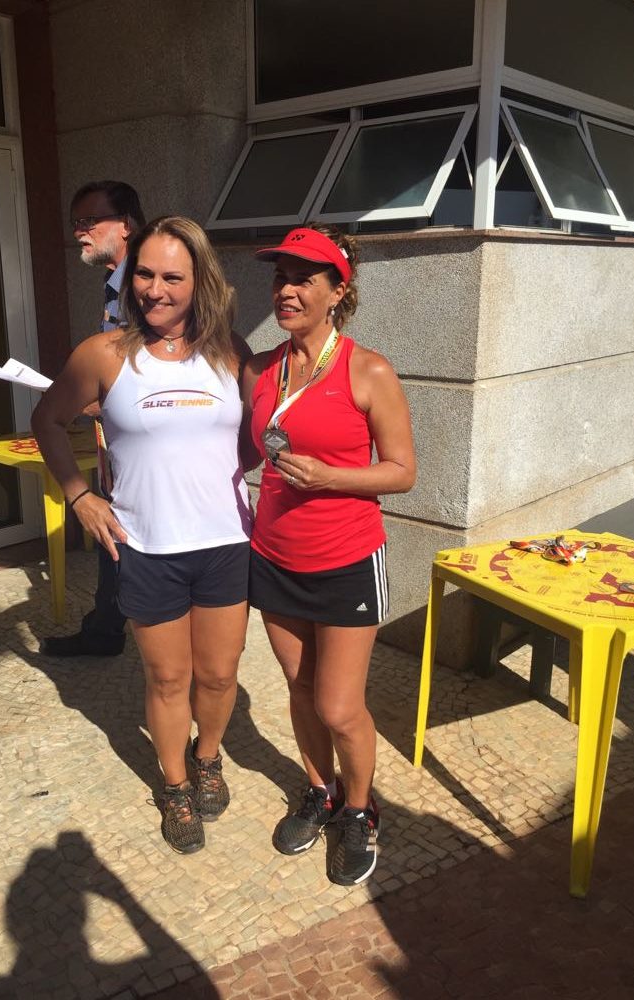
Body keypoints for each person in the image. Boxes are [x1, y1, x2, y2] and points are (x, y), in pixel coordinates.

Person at [32, 216, 252, 854]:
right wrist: (79, 497)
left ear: (200, 281)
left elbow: (256, 433)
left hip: (224, 543)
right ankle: (175, 785)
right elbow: (48, 420)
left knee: (219, 675)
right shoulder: (103, 354)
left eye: (172, 277)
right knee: (168, 679)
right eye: (146, 275)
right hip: (148, 547)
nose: (155, 289)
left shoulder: (230, 351)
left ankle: (207, 757)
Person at [242, 224, 416, 886]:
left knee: (340, 706)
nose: (286, 291)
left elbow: (402, 471)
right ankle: (321, 791)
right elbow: (242, 448)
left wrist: (331, 477)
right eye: (279, 277)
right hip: (274, 555)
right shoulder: (261, 369)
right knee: (300, 689)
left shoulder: (368, 370)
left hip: (345, 560)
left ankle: (361, 810)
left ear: (337, 291)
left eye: (303, 279)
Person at [42, 179, 146, 658]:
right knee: (112, 534)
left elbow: (147, 377)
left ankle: (111, 630)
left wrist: (92, 401)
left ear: (124, 224)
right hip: (117, 447)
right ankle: (104, 628)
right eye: (75, 222)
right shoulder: (114, 283)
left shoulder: (140, 286)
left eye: (90, 220)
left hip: (141, 450)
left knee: (121, 534)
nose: (79, 232)